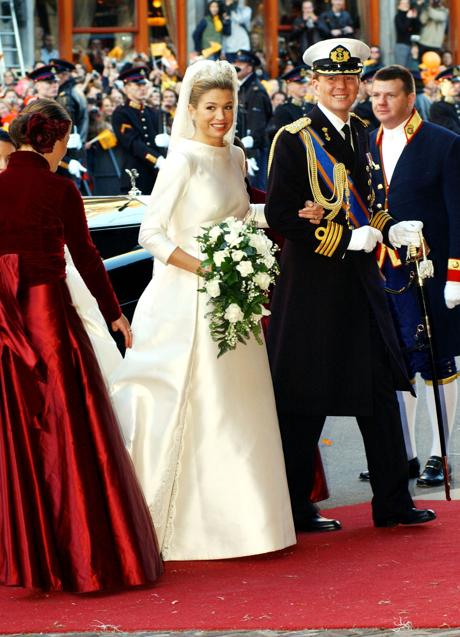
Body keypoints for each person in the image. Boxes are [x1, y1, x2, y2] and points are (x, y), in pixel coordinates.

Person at [111, 59, 296, 561]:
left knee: (238, 406)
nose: (222, 116)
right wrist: (208, 269)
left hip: (235, 299)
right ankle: (183, 526)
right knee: (200, 403)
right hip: (186, 300)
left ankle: (249, 523)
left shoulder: (235, 157)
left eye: (228, 107)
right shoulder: (181, 160)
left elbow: (240, 214)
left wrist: (282, 216)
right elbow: (151, 234)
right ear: (191, 110)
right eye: (211, 108)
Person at [265, 38, 436, 531]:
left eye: (349, 78)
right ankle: (295, 507)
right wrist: (344, 238)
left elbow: (371, 195)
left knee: (379, 389)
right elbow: (281, 214)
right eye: (331, 78)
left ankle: (392, 503)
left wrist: (389, 227)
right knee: (306, 397)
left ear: (358, 83)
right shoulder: (294, 138)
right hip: (315, 289)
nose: (341, 86)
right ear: (313, 82)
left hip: (362, 283)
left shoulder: (363, 130)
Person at [0, 98, 162, 592]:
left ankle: (27, 556)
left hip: (4, 319)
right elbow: (87, 257)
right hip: (47, 318)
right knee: (70, 432)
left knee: (16, 436)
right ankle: (86, 555)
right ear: (52, 140)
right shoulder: (59, 188)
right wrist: (115, 312)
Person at [366, 64, 460, 487]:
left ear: (409, 97)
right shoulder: (366, 144)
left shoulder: (444, 145)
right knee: (395, 364)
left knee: (438, 363)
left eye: (389, 95)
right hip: (384, 273)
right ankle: (402, 452)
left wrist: (456, 275)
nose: (380, 103)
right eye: (374, 96)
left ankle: (440, 454)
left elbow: (459, 216)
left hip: (433, 272)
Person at [112, 65, 166, 194]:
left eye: (143, 84)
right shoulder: (121, 113)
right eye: (137, 85)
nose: (142, 88)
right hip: (135, 175)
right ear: (126, 88)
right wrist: (156, 159)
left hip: (156, 176)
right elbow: (133, 143)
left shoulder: (153, 112)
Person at [234, 49, 272, 189]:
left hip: (253, 148)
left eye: (241, 63)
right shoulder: (242, 87)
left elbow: (257, 124)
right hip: (242, 146)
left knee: (255, 190)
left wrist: (250, 149)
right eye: (236, 62)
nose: (236, 66)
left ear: (250, 67)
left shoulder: (255, 90)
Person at [267, 65, 314, 144]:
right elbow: (285, 139)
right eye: (300, 83)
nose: (304, 86)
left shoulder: (312, 107)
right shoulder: (283, 110)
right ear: (289, 86)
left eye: (306, 83)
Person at [429, 66, 460, 135]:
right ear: (442, 85)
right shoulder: (438, 107)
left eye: (457, 82)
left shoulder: (456, 103)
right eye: (452, 83)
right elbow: (452, 132)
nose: (457, 86)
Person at [394, 0, 421, 68]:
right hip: (402, 46)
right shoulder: (398, 17)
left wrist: (415, 18)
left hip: (411, 46)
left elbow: (417, 30)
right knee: (401, 69)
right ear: (398, 6)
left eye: (407, 3)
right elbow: (402, 30)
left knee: (410, 70)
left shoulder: (410, 15)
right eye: (403, 3)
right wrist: (408, 18)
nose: (405, 5)